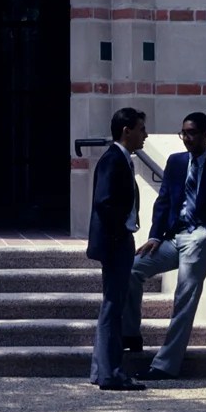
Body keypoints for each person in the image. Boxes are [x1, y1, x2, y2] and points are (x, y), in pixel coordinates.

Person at [125, 111, 206, 380]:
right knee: (132, 269)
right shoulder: (176, 162)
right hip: (173, 236)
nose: (186, 139)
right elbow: (163, 202)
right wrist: (155, 235)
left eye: (191, 133)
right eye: (183, 133)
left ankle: (164, 365)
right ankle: (130, 334)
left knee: (184, 295)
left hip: (201, 239)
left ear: (205, 136)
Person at [87, 107, 149, 391]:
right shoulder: (114, 160)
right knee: (114, 307)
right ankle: (110, 373)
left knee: (112, 306)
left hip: (118, 241)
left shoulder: (121, 159)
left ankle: (103, 370)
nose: (145, 135)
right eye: (141, 129)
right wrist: (122, 231)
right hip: (116, 243)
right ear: (127, 130)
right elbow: (104, 202)